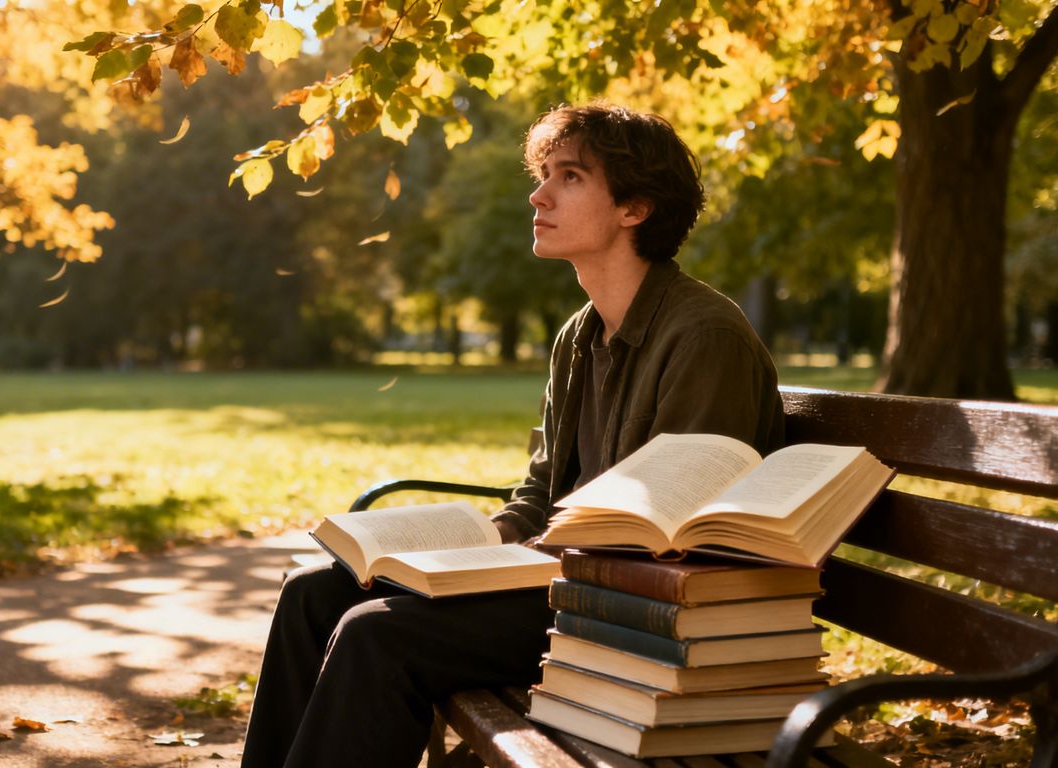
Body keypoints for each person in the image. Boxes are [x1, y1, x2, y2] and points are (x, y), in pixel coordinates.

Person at [240, 103, 784, 768]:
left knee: (374, 636)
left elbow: (674, 538)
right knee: (312, 595)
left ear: (634, 207)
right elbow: (540, 489)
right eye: (543, 173)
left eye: (570, 177)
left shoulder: (704, 338)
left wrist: (531, 558)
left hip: (634, 615)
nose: (539, 193)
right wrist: (471, 549)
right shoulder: (579, 336)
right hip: (559, 580)